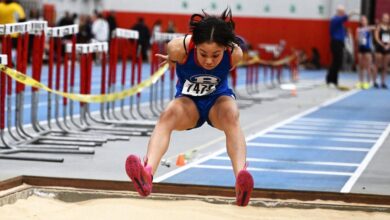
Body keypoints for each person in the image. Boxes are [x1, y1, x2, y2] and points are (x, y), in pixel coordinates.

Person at [125, 8, 254, 207]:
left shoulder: (235, 53)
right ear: (195, 46)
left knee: (231, 114)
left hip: (217, 100)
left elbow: (225, 68)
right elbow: (179, 54)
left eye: (216, 55)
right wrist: (176, 59)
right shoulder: (177, 48)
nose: (209, 61)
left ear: (225, 49)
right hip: (189, 102)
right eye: (203, 54)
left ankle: (241, 180)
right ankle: (147, 173)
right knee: (167, 115)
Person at [327, 5, 358, 89]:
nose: (343, 13)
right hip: (336, 43)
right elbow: (344, 18)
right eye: (342, 12)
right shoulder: (335, 19)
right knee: (336, 62)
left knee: (337, 62)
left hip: (340, 43)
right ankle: (331, 81)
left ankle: (333, 80)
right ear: (339, 12)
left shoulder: (339, 23)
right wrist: (351, 13)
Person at [356, 15, 375, 89]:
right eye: (362, 20)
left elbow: (374, 27)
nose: (363, 21)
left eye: (364, 20)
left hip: (368, 49)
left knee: (368, 66)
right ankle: (361, 81)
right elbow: (356, 38)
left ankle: (368, 81)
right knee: (361, 66)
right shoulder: (358, 29)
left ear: (367, 21)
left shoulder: (369, 28)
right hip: (361, 48)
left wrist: (367, 28)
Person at [373, 13, 390, 89]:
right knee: (378, 65)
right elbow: (376, 38)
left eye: (387, 18)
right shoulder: (379, 27)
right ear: (382, 18)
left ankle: (383, 82)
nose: (386, 19)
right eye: (384, 18)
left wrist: (388, 45)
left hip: (387, 48)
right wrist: (382, 44)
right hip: (380, 47)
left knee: (385, 66)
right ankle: (375, 81)